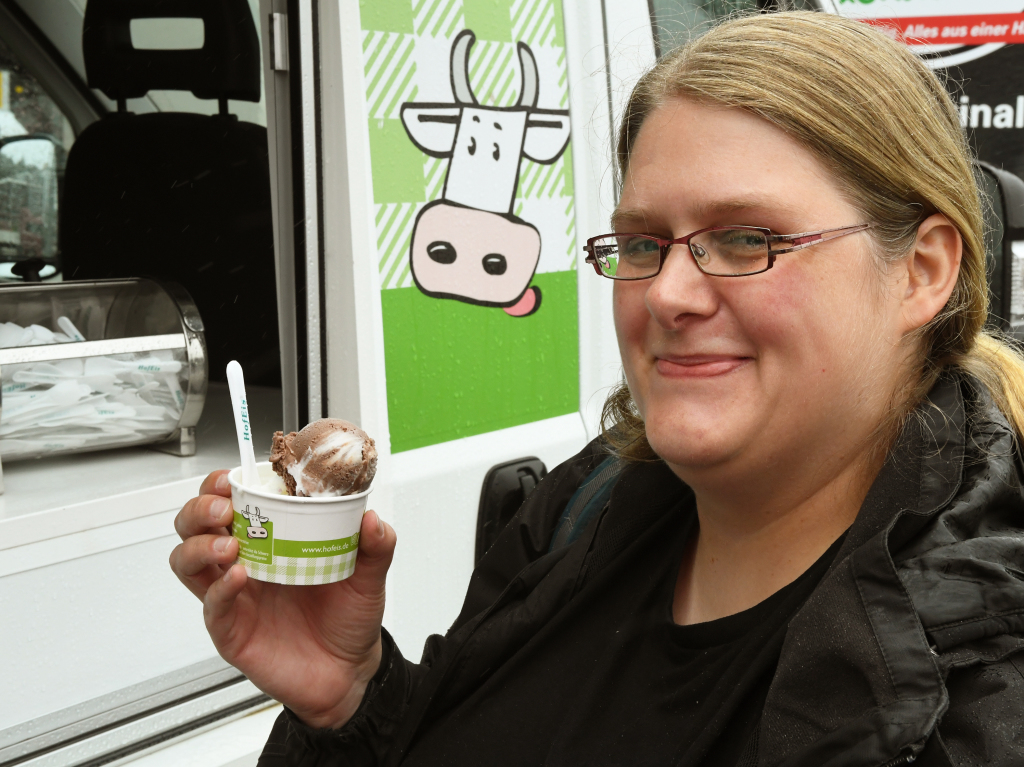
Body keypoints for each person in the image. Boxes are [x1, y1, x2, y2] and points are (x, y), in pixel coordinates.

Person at [170, 11, 1024, 766]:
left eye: (744, 238)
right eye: (644, 243)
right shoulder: (588, 503)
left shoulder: (976, 691)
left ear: (922, 271)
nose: (668, 294)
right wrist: (350, 704)